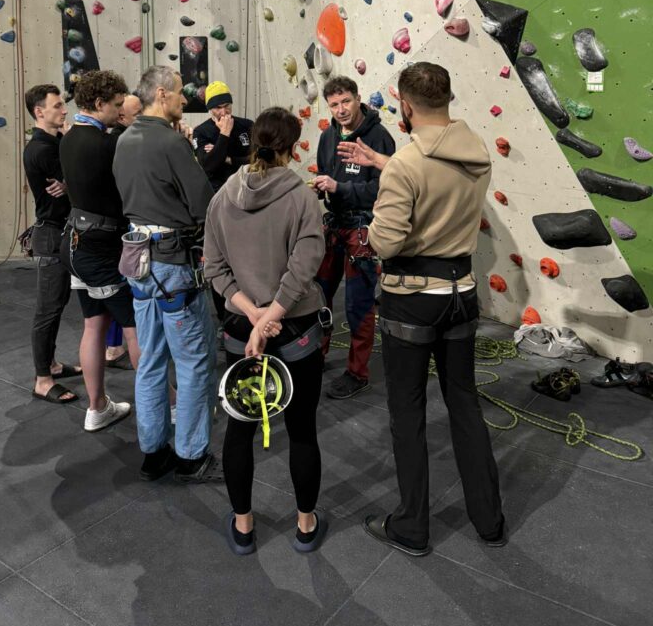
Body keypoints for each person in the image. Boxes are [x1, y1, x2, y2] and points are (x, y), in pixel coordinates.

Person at [341, 62, 504, 556]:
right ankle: (489, 520)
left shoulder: (407, 164)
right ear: (447, 98)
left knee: (407, 412)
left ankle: (412, 525)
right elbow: (437, 176)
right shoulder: (477, 154)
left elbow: (387, 242)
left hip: (411, 300)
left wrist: (375, 222)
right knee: (465, 405)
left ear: (405, 105)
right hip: (461, 293)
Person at [204, 107, 328, 555]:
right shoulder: (302, 198)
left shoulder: (223, 196)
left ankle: (243, 525)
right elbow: (303, 268)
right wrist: (271, 316)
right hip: (295, 330)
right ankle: (305, 523)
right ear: (292, 147)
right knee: (302, 430)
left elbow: (214, 268)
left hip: (242, 331)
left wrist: (253, 316)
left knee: (240, 429)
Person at [113, 66, 219, 483]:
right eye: (178, 93)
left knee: (151, 360)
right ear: (161, 94)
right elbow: (203, 204)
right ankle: (191, 454)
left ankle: (153, 450)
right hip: (172, 264)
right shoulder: (172, 143)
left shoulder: (124, 140)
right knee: (193, 361)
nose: (184, 100)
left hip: (138, 262)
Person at [59, 70, 140, 432]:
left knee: (94, 325)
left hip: (76, 243)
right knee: (134, 328)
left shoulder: (68, 139)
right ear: (98, 103)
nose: (121, 111)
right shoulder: (107, 145)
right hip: (100, 249)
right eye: (117, 105)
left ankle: (97, 408)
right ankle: (169, 405)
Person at [312, 76, 395, 399]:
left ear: (359, 99)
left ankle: (357, 373)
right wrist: (321, 188)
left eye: (346, 101)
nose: (341, 109)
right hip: (335, 225)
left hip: (363, 228)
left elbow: (384, 189)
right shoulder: (327, 136)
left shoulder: (379, 138)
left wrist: (340, 188)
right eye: (334, 104)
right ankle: (315, 354)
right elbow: (326, 172)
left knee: (358, 304)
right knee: (318, 296)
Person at [23, 84, 81, 404]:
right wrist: (72, 183)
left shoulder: (55, 142)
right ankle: (43, 380)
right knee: (48, 309)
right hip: (51, 234)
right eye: (57, 105)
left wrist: (69, 183)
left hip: (60, 231)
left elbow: (73, 182)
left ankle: (53, 365)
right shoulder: (42, 148)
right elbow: (82, 181)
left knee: (57, 305)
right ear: (39, 112)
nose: (64, 110)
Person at [192, 81, 253, 336]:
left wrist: (226, 157)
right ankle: (225, 322)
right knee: (221, 263)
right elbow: (208, 166)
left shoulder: (247, 126)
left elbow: (257, 159)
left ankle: (250, 311)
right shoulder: (202, 131)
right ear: (209, 109)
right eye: (217, 108)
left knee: (247, 260)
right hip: (219, 203)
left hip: (248, 199)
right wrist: (224, 136)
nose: (223, 112)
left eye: (227, 105)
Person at [104, 93, 144, 370]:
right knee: (123, 287)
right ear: (122, 117)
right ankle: (117, 346)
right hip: (122, 224)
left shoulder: (121, 139)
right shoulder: (123, 142)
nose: (143, 117)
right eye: (137, 114)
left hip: (120, 222)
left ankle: (113, 345)